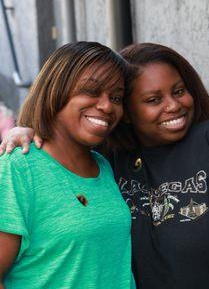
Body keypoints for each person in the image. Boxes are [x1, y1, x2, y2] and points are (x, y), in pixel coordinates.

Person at [1, 42, 209, 289]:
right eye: (153, 99)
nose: (173, 105)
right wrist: (27, 129)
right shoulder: (104, 162)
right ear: (128, 114)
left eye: (179, 91)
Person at [0, 41, 135, 289]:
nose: (107, 106)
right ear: (56, 90)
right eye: (91, 91)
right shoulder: (18, 168)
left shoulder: (104, 166)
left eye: (116, 97)